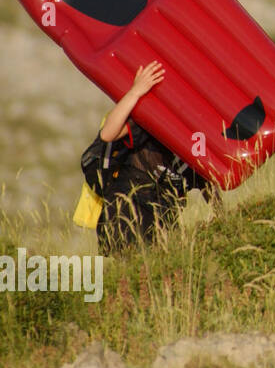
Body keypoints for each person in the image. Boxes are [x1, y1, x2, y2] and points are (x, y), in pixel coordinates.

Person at [80, 60, 218, 252]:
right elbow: (108, 133)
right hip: (127, 213)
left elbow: (207, 185)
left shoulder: (194, 138)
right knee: (134, 276)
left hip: (162, 221)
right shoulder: (155, 120)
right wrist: (136, 91)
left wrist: (226, 222)